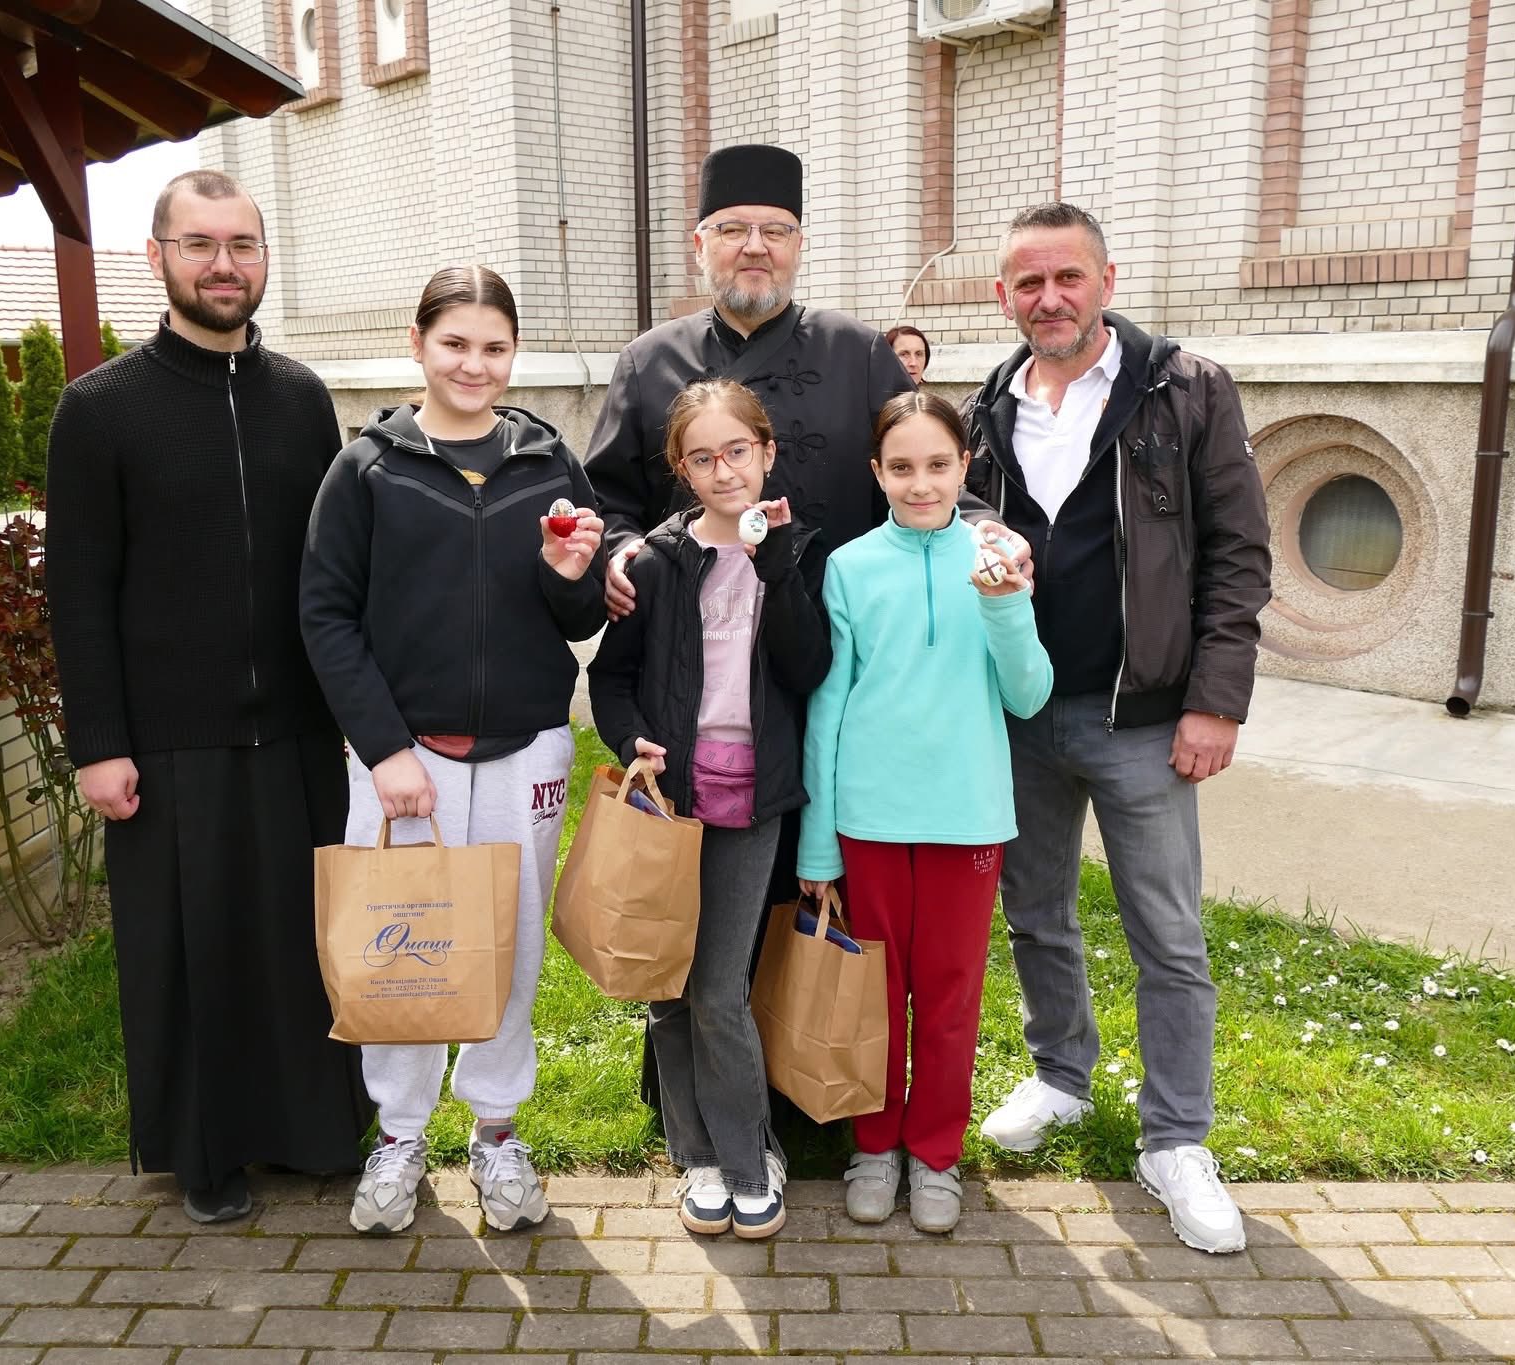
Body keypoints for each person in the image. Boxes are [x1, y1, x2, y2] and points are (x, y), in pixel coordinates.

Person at [46, 170, 373, 1224]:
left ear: (264, 258)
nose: (222, 264)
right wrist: (97, 742)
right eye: (199, 244)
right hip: (167, 740)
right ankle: (204, 1155)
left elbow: (336, 572)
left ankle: (316, 1135)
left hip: (299, 732)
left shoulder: (302, 399)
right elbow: (77, 592)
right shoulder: (99, 410)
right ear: (157, 258)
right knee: (190, 956)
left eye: (241, 244)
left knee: (296, 947)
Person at [964, 202, 1271, 1255]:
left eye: (1066, 278)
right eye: (1024, 283)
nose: (1046, 299)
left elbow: (1237, 552)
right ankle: (1060, 1074)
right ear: (999, 296)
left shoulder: (1184, 389)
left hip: (1142, 720)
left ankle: (1174, 1139)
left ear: (1105, 278)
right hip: (1018, 715)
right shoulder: (985, 406)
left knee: (1166, 938)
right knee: (1035, 913)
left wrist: (1214, 698)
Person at [300, 264, 608, 1237]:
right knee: (401, 946)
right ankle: (397, 1138)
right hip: (405, 763)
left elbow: (582, 611)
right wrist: (384, 749)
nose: (474, 364)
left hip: (527, 753)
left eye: (493, 346)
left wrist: (569, 576)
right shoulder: (370, 466)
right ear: (418, 342)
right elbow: (325, 613)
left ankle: (497, 1134)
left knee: (506, 951)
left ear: (511, 352)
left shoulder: (549, 461)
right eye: (455, 343)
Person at [797, 392, 1052, 1235]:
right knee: (875, 989)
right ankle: (875, 1144)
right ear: (876, 473)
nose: (920, 482)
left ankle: (935, 1151)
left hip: (968, 817)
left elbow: (1029, 694)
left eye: (937, 464)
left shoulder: (998, 554)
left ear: (964, 467)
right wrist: (819, 841)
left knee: (949, 995)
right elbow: (829, 704)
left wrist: (1007, 604)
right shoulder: (850, 565)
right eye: (901, 467)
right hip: (869, 818)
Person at [588, 380, 832, 1239]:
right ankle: (694, 1153)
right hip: (672, 800)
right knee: (665, 983)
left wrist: (777, 568)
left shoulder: (797, 550)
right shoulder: (656, 561)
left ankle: (747, 1154)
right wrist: (629, 743)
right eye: (703, 456)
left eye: (738, 450)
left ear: (766, 453)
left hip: (752, 799)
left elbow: (808, 670)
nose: (722, 468)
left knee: (719, 987)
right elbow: (609, 676)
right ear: (681, 469)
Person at [586, 143, 915, 613]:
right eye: (733, 229)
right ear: (700, 246)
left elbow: (925, 467)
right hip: (692, 632)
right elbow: (605, 499)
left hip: (835, 624)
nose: (755, 247)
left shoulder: (858, 352)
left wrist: (983, 525)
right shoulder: (647, 361)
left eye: (776, 231)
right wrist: (620, 549)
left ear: (798, 245)